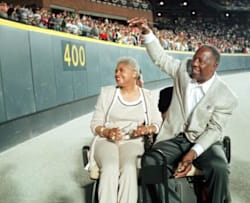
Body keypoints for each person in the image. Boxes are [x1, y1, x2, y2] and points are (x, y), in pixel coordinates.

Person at [128, 17, 238, 203]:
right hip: (173, 138)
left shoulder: (226, 96)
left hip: (204, 142)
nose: (194, 63)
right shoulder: (183, 70)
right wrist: (147, 32)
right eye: (195, 58)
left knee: (219, 167)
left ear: (214, 66)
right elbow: (160, 58)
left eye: (201, 62)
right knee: (151, 163)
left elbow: (214, 131)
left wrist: (192, 153)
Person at [89, 57, 163, 203]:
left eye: (121, 70)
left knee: (129, 169)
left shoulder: (146, 95)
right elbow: (95, 124)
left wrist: (146, 129)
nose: (117, 74)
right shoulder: (107, 93)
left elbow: (157, 123)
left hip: (133, 140)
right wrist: (107, 132)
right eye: (116, 71)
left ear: (134, 74)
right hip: (106, 140)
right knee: (110, 167)